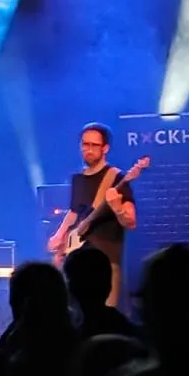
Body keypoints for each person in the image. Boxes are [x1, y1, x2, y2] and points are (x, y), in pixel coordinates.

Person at [47, 123, 136, 309]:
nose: (88, 149)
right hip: (78, 259)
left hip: (106, 260)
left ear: (105, 148)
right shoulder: (77, 179)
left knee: (104, 314)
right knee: (77, 313)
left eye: (94, 145)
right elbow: (74, 213)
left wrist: (117, 207)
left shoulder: (116, 178)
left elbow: (130, 222)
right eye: (85, 144)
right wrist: (59, 236)